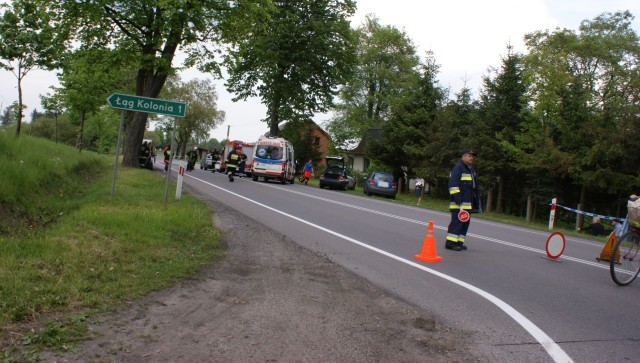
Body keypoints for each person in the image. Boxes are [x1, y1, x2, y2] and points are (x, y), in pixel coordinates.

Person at [445, 149, 481, 251]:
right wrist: (458, 200)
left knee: (465, 223)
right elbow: (453, 185)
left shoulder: (470, 169)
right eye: (470, 156)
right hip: (459, 203)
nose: (472, 158)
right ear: (463, 157)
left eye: (472, 156)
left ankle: (459, 242)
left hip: (468, 203)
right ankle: (450, 243)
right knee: (457, 223)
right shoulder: (458, 168)